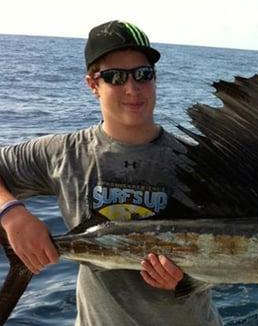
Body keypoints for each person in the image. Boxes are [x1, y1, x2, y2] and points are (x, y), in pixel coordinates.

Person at [0, 21, 222, 325]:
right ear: (93, 84)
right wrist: (11, 213)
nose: (133, 89)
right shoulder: (64, 153)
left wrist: (186, 281)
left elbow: (231, 256)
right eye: (115, 77)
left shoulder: (198, 162)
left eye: (143, 75)